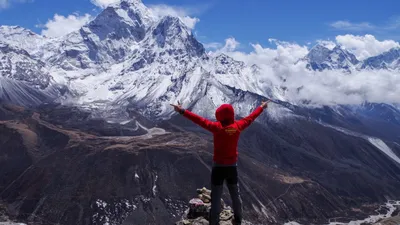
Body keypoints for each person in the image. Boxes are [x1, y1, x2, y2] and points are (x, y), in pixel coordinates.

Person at [170, 100, 271, 225]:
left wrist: (181, 111)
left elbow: (199, 120)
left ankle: (214, 222)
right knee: (235, 194)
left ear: (220, 115)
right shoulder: (238, 126)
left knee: (216, 198)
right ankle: (238, 219)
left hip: (218, 167)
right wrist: (261, 107)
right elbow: (251, 118)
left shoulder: (216, 128)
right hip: (232, 167)